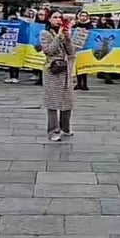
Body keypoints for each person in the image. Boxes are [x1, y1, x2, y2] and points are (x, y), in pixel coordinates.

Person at [39, 9, 75, 141]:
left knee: (67, 101)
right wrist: (59, 36)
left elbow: (71, 52)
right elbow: (49, 51)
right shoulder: (45, 33)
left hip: (65, 70)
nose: (58, 19)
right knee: (53, 102)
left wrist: (67, 37)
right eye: (55, 17)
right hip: (52, 71)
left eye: (60, 17)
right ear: (49, 19)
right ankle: (53, 130)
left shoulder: (64, 33)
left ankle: (65, 127)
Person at [73, 10, 92, 91]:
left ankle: (85, 84)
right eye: (82, 16)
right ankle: (78, 83)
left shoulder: (90, 25)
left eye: (85, 16)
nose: (83, 17)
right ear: (79, 16)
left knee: (84, 66)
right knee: (77, 66)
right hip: (76, 48)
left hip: (86, 48)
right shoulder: (75, 24)